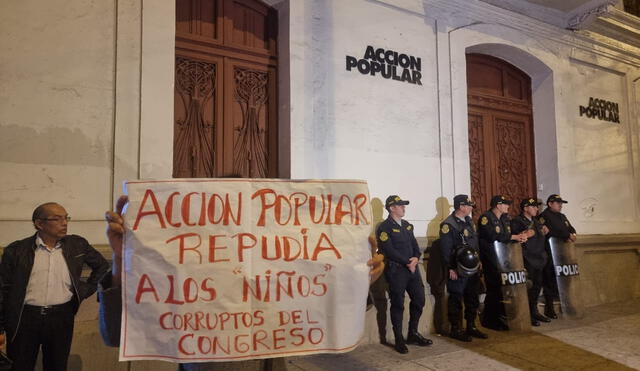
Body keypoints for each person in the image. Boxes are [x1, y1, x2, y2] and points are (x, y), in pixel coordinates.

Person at [100, 196, 385, 370]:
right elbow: (114, 334)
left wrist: (359, 282)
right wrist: (120, 259)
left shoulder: (280, 276)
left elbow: (327, 316)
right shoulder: (181, 282)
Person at [0, 202, 109, 371]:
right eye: (57, 219)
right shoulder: (16, 250)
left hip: (61, 316)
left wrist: (85, 289)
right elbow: (3, 289)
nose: (64, 223)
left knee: (57, 365)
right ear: (39, 224)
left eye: (66, 218)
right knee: (20, 365)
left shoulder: (77, 245)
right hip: (24, 318)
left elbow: (102, 266)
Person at [376, 195, 432, 354]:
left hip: (412, 270)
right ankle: (399, 338)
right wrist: (408, 262)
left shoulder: (407, 225)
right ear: (392, 208)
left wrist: (416, 258)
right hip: (397, 271)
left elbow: (415, 246)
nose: (403, 208)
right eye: (400, 205)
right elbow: (389, 250)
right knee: (398, 304)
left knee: (420, 299)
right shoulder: (384, 227)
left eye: (403, 205)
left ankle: (413, 333)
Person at [438, 194, 487, 342]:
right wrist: (451, 268)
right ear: (461, 206)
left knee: (472, 297)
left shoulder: (469, 221)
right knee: (456, 298)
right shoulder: (448, 225)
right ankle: (456, 328)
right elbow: (446, 250)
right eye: (468, 205)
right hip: (458, 269)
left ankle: (471, 326)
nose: (471, 208)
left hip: (472, 267)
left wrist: (479, 261)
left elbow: (474, 243)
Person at [477, 195, 527, 331]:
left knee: (502, 289)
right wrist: (513, 237)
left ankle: (499, 316)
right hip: (491, 259)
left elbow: (507, 235)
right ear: (498, 205)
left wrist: (519, 237)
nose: (507, 206)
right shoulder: (486, 218)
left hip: (504, 259)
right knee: (494, 289)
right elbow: (492, 236)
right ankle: (489, 320)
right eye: (505, 204)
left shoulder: (505, 219)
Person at [510, 198, 551, 326]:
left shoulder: (536, 222)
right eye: (533, 207)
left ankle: (534, 311)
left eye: (536, 207)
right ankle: (526, 313)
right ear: (525, 208)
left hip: (539, 259)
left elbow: (539, 233)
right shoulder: (517, 221)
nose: (536, 209)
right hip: (527, 260)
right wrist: (532, 232)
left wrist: (541, 230)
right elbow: (519, 236)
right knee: (528, 288)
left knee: (537, 287)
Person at [538, 194, 577, 319]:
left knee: (566, 280)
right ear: (550, 204)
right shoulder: (544, 217)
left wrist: (573, 234)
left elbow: (570, 228)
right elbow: (552, 232)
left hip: (563, 253)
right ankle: (549, 308)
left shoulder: (562, 216)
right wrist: (567, 235)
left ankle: (568, 304)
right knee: (549, 281)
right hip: (550, 253)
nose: (560, 205)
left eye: (561, 203)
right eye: (558, 203)